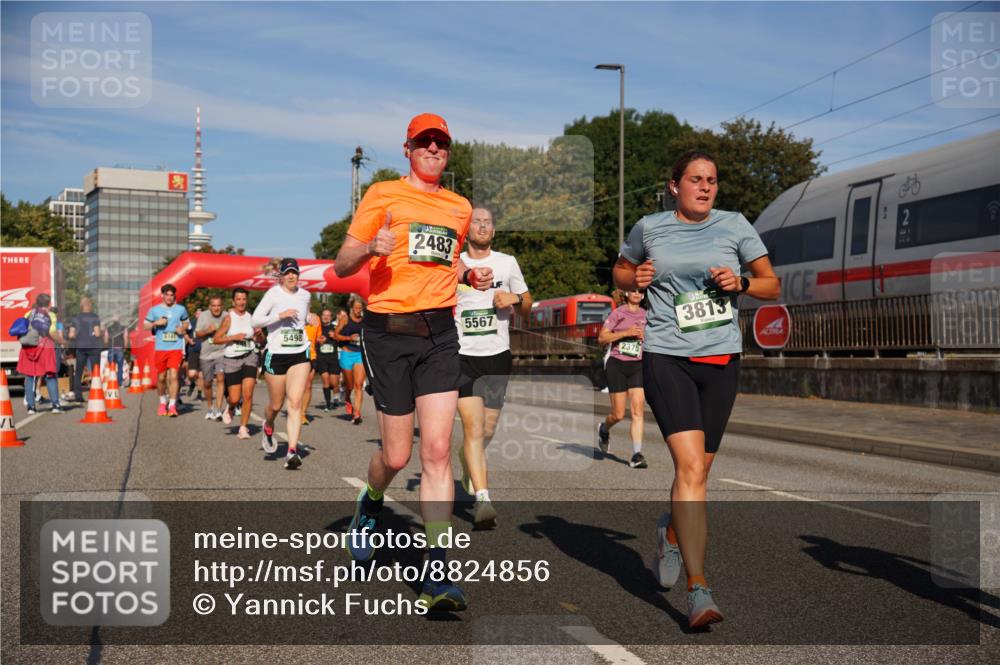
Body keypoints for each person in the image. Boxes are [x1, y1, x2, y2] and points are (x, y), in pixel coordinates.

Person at [613, 150, 779, 629]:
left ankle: (669, 530)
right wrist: (635, 276)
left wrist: (742, 281)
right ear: (674, 186)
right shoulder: (650, 227)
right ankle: (698, 588)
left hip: (722, 359)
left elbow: (772, 283)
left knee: (699, 475)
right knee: (689, 467)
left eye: (711, 180)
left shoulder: (735, 225)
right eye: (695, 179)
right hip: (667, 355)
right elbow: (621, 271)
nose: (705, 187)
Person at [334, 112, 493, 611]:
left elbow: (446, 262)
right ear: (407, 148)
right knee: (398, 456)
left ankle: (437, 566)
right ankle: (371, 502)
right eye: (423, 142)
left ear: (447, 153)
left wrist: (470, 278)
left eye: (440, 144)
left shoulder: (459, 207)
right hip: (388, 331)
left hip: (441, 333)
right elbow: (341, 265)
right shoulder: (381, 195)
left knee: (439, 451)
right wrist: (367, 250)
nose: (432, 150)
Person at [454, 206, 531, 530]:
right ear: (467, 230)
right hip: (462, 355)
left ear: (494, 231)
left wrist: (512, 298)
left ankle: (466, 459)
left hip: (497, 355)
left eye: (488, 222)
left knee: (487, 429)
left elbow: (527, 304)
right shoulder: (454, 265)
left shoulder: (506, 263)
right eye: (477, 222)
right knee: (472, 427)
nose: (483, 226)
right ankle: (483, 498)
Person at [251, 257, 312, 470]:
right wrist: (279, 315)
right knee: (276, 405)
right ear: (281, 276)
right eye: (287, 273)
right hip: (276, 354)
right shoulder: (273, 295)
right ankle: (268, 425)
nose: (291, 276)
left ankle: (292, 452)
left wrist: (311, 318)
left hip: (299, 353)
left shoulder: (305, 295)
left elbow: (303, 319)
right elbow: (255, 321)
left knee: (294, 403)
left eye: (294, 272)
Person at [596, 288, 648, 468]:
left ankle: (637, 455)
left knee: (638, 410)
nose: (637, 293)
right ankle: (604, 429)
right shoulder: (618, 313)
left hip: (637, 366)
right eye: (633, 290)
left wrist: (645, 336)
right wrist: (626, 333)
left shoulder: (646, 315)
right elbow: (602, 338)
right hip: (617, 365)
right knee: (618, 414)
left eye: (641, 291)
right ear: (626, 294)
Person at [215, 288, 259, 439]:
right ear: (233, 302)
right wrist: (233, 337)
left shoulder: (251, 317)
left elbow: (261, 340)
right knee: (234, 398)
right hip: (232, 359)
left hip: (250, 357)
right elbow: (216, 339)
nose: (241, 302)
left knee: (248, 394)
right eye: (238, 299)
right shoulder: (229, 318)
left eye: (244, 299)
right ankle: (230, 407)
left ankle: (243, 427)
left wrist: (260, 334)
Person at [144, 284, 190, 417]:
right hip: (161, 348)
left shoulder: (181, 309)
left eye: (172, 295)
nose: (169, 297)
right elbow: (145, 325)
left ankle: (172, 405)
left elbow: (186, 322)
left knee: (174, 376)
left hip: (175, 348)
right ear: (162, 296)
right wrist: (155, 323)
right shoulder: (155, 310)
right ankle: (162, 402)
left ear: (174, 296)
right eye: (167, 295)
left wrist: (182, 329)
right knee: (161, 377)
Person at [16, 293, 64, 414]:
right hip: (45, 348)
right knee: (50, 376)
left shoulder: (29, 313)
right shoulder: (51, 315)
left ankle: (31, 407)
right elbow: (52, 332)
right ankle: (55, 405)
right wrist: (62, 341)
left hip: (29, 348)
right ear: (48, 304)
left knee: (29, 377)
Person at [334, 296, 366, 425]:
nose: (358, 310)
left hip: (359, 354)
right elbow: (336, 335)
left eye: (360, 308)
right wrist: (349, 338)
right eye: (356, 308)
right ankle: (347, 397)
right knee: (350, 385)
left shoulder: (364, 320)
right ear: (351, 308)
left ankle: (357, 412)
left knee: (358, 385)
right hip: (347, 353)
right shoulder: (345, 318)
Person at [196, 296, 228, 421]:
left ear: (222, 306)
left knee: (220, 378)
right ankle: (210, 408)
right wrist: (207, 331)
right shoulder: (203, 316)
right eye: (213, 306)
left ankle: (218, 409)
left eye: (218, 305)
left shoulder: (227, 316)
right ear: (210, 307)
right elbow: (197, 334)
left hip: (221, 352)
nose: (216, 308)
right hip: (206, 355)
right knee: (207, 383)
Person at [68, 297, 102, 402]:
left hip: (81, 347)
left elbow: (71, 335)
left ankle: (78, 395)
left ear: (81, 306)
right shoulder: (95, 317)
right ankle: (96, 394)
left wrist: (79, 335)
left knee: (79, 372)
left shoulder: (75, 318)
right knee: (95, 371)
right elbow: (97, 334)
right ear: (89, 305)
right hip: (93, 347)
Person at [314, 308, 341, 411]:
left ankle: (335, 398)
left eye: (328, 315)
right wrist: (318, 341)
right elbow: (312, 340)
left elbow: (341, 340)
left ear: (331, 317)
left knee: (334, 383)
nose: (326, 317)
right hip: (322, 358)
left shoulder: (335, 328)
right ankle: (327, 403)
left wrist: (335, 336)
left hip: (333, 358)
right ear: (321, 317)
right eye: (324, 315)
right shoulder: (317, 328)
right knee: (325, 380)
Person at [301, 311, 320, 426]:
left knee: (308, 385)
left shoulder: (316, 317)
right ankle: (295, 408)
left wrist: (320, 339)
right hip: (295, 353)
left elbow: (318, 336)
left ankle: (302, 413)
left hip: (311, 355)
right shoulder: (294, 314)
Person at [184, 310, 204, 401]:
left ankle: (199, 393)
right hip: (192, 350)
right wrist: (188, 340)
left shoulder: (206, 323)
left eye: (201, 313)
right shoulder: (191, 323)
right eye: (197, 313)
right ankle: (192, 383)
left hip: (204, 351)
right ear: (195, 315)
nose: (199, 315)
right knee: (192, 374)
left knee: (201, 374)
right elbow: (184, 333)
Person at [104, 314, 128, 388]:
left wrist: (106, 345)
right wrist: (125, 347)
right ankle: (119, 383)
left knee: (111, 366)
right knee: (120, 367)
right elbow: (125, 338)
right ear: (119, 319)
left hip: (111, 348)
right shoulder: (124, 328)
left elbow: (106, 340)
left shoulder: (108, 328)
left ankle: (111, 382)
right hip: (119, 348)